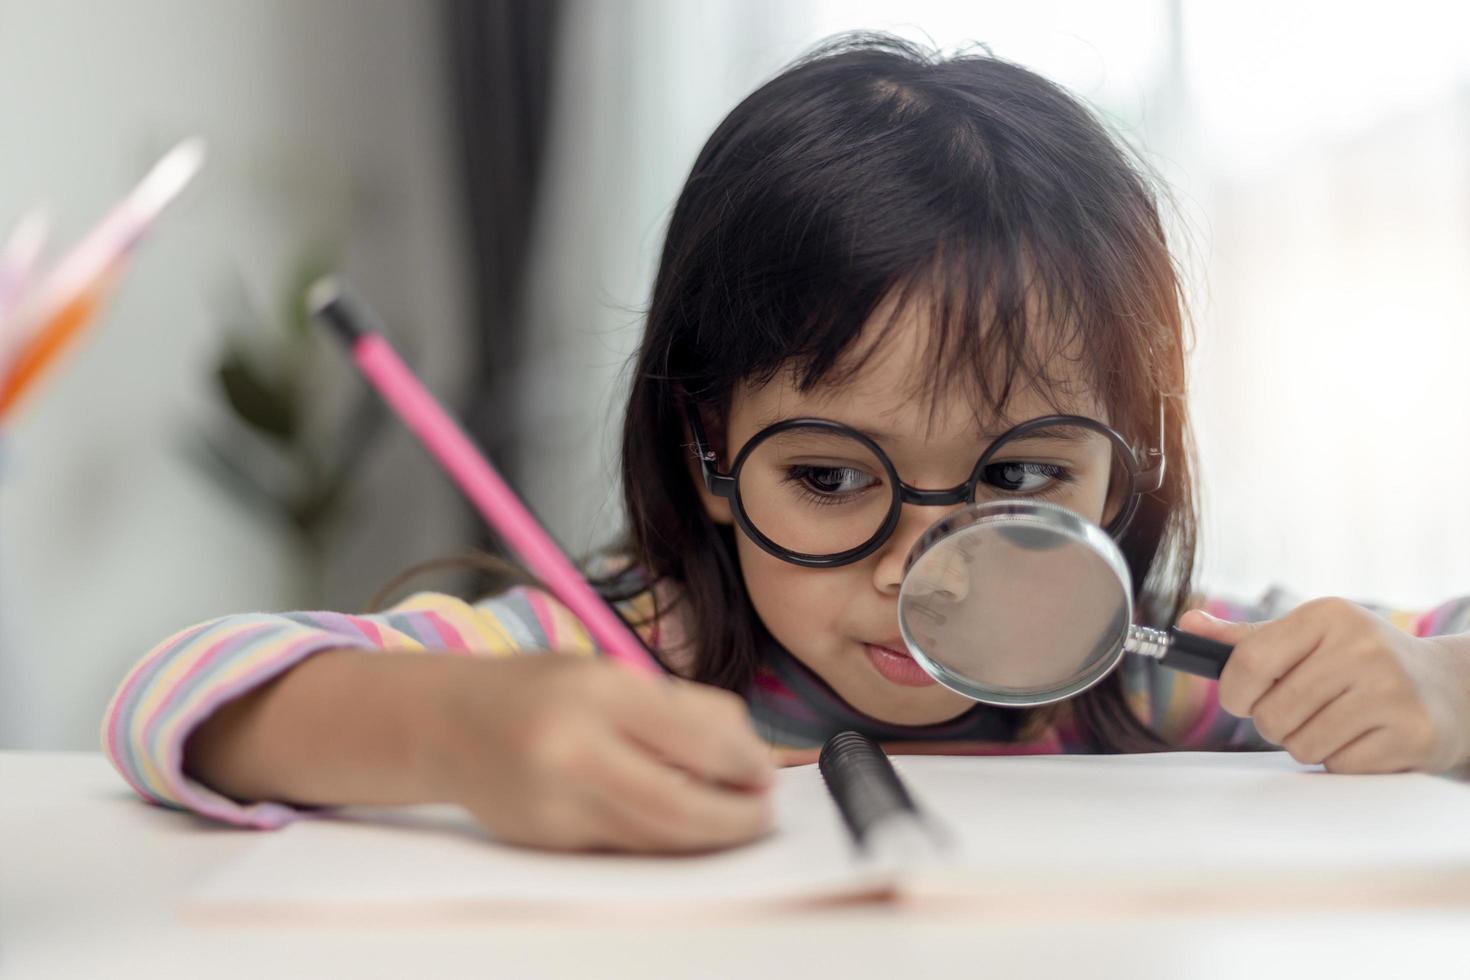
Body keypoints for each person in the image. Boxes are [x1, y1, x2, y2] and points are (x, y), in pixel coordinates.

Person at [102, 35, 1470, 854]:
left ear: (1130, 463)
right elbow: (170, 695)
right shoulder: (636, 651)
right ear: (708, 449)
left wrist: (1434, 691)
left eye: (1020, 479)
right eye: (827, 478)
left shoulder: (1140, 672)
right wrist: (456, 734)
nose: (920, 573)